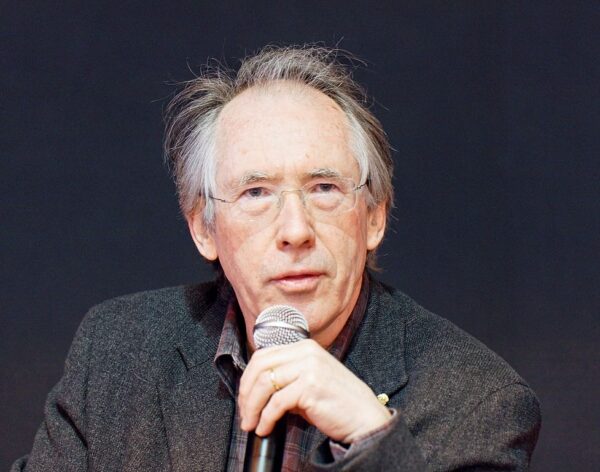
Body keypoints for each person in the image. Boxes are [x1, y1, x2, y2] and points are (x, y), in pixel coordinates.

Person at [12, 45, 541, 471]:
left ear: (374, 217)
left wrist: (372, 439)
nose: (295, 231)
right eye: (256, 193)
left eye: (325, 188)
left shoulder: (477, 398)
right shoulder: (118, 350)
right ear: (204, 229)